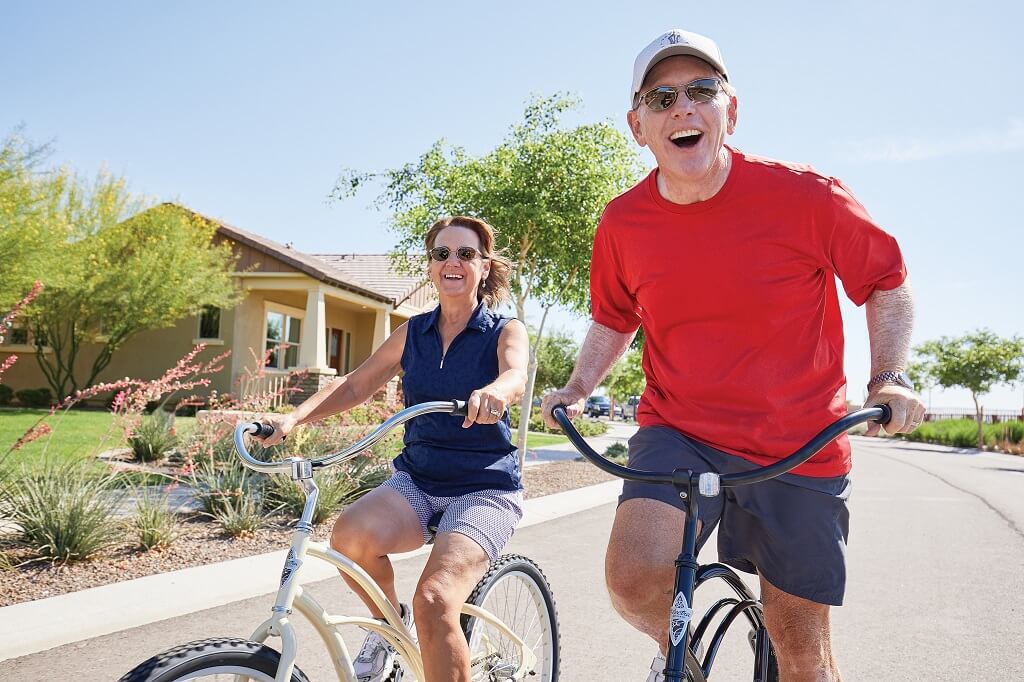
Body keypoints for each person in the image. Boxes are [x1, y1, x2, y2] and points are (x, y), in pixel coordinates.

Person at [542, 29, 926, 682]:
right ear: (639, 126)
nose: (682, 108)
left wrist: (888, 378)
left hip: (801, 440)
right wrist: (578, 386)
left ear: (731, 110)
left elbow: (886, 282)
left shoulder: (808, 197)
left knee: (802, 655)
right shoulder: (623, 222)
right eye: (661, 98)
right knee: (634, 579)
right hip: (680, 432)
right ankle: (679, 658)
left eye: (701, 91)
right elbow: (613, 317)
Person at [257, 216, 528, 682]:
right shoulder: (412, 333)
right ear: (430, 266)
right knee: (350, 538)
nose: (453, 263)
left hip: (484, 489)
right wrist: (293, 418)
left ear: (484, 267)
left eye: (466, 254)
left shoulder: (504, 330)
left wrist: (497, 393)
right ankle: (389, 629)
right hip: (418, 481)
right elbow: (356, 384)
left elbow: (516, 375)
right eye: (442, 253)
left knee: (436, 601)